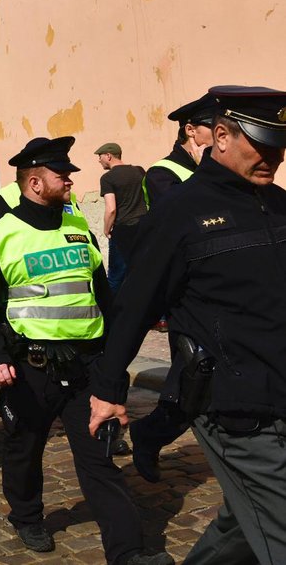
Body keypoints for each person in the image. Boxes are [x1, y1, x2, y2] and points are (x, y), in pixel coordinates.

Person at [90, 86, 286, 565]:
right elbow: (133, 307)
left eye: (280, 147)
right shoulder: (180, 212)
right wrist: (107, 390)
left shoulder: (280, 204)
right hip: (233, 407)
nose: (273, 158)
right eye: (262, 145)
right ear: (220, 136)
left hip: (281, 389)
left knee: (246, 521)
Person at [0, 137, 172, 565]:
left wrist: (115, 355)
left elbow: (102, 296)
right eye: (63, 175)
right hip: (31, 367)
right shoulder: (1, 236)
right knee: (25, 448)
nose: (71, 181)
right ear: (35, 182)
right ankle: (26, 516)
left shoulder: (78, 228)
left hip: (86, 366)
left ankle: (128, 551)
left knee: (99, 456)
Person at [125, 93, 222, 482]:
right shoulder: (162, 173)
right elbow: (186, 216)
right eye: (209, 128)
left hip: (226, 289)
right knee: (192, 383)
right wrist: (210, 171)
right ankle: (148, 434)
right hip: (190, 297)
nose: (218, 135)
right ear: (190, 130)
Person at [143, 92, 216, 208]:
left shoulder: (217, 164)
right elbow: (180, 212)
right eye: (214, 127)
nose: (222, 134)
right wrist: (203, 171)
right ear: (190, 130)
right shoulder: (160, 173)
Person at [94, 142, 147, 292]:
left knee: (116, 276)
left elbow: (111, 209)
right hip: (143, 227)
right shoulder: (139, 171)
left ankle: (113, 311)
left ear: (108, 156)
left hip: (123, 230)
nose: (99, 160)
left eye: (100, 156)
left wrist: (106, 229)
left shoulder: (107, 178)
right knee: (145, 271)